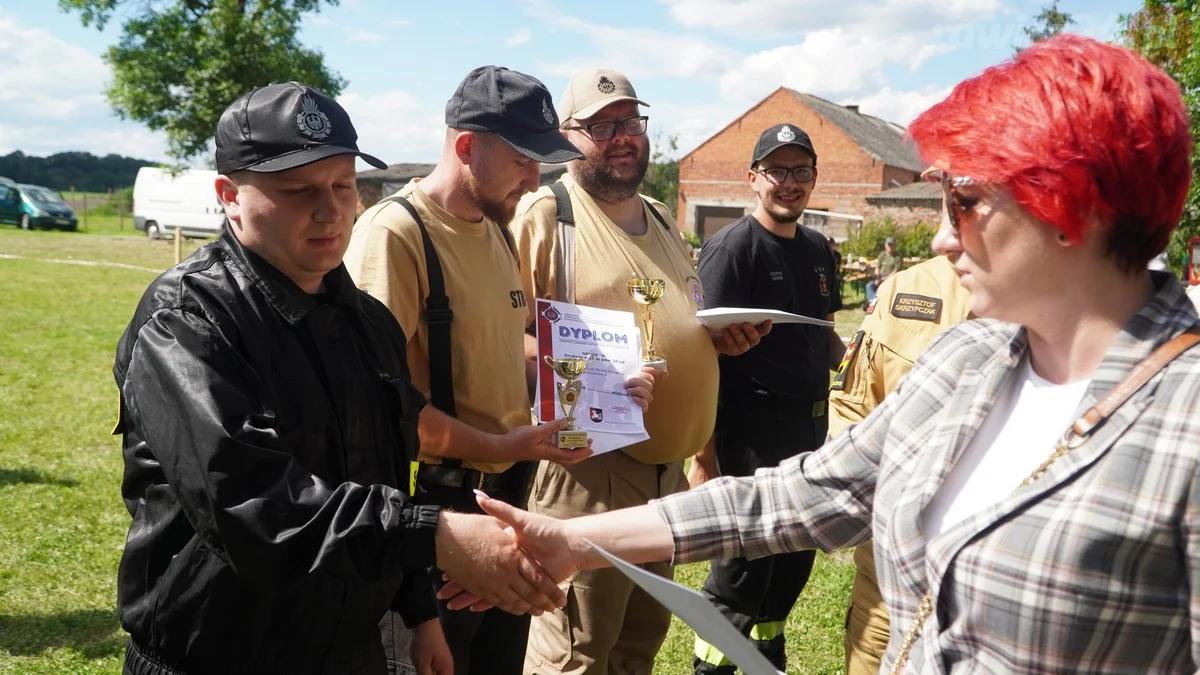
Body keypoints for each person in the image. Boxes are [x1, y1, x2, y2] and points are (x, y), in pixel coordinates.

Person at [448, 35, 1200, 673]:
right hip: (596, 467)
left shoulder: (1183, 423)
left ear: (1072, 208)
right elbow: (800, 495)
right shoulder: (967, 361)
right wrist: (571, 542)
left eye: (964, 204)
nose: (940, 238)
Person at [112, 82, 569, 675]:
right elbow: (251, 502)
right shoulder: (187, 320)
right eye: (298, 191)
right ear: (229, 196)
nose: (330, 211)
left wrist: (419, 611)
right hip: (218, 651)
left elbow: (385, 471)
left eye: (343, 186)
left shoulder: (367, 321)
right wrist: (435, 537)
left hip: (347, 650)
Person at [343, 66, 657, 675]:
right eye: (522, 161)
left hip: (504, 499)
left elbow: (502, 344)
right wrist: (497, 443)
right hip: (436, 513)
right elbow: (377, 404)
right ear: (466, 147)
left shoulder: (497, 229)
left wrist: (601, 376)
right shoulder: (397, 235)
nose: (536, 179)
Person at [509, 67, 767, 675]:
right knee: (575, 652)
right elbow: (499, 336)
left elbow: (680, 316)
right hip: (589, 473)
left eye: (630, 121)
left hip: (663, 479)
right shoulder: (546, 216)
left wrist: (716, 342)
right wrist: (594, 373)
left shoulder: (659, 214)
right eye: (601, 126)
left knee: (635, 648)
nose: (622, 136)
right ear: (566, 136)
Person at [687, 123, 845, 675]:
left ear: (814, 179)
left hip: (809, 434)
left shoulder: (820, 250)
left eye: (800, 171)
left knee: (792, 562)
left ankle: (767, 656)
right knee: (742, 571)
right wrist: (704, 458)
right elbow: (699, 358)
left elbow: (825, 336)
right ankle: (711, 666)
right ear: (753, 179)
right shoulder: (732, 251)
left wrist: (863, 356)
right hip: (749, 433)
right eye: (776, 170)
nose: (789, 182)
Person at [827, 254, 971, 675]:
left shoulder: (1072, 305)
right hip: (888, 584)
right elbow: (851, 410)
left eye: (969, 202)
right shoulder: (907, 289)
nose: (946, 235)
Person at [865, 236, 901, 303]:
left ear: (895, 246)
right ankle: (872, 302)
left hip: (891, 280)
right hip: (880, 277)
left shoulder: (898, 257)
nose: (890, 246)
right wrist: (877, 278)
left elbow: (895, 271)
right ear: (885, 245)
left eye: (892, 245)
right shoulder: (882, 254)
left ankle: (873, 303)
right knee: (869, 286)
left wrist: (883, 280)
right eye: (888, 244)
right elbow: (877, 268)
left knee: (881, 289)